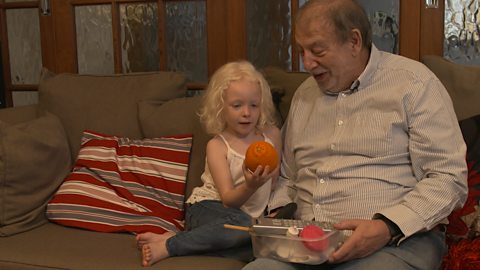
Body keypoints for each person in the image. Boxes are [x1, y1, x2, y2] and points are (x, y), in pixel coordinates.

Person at [243, 0, 468, 270]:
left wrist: (386, 226)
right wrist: (281, 213)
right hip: (305, 245)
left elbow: (448, 177)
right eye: (302, 51)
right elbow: (287, 177)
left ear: (354, 41)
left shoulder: (414, 84)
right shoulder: (304, 95)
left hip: (395, 243)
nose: (307, 63)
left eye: (317, 50)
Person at [136, 60, 281, 267]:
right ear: (221, 107)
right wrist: (251, 185)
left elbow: (274, 184)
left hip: (244, 223)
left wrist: (274, 211)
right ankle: (170, 246)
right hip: (207, 209)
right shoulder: (217, 146)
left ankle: (184, 239)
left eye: (254, 105)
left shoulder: (272, 136)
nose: (246, 113)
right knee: (243, 224)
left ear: (262, 105)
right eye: (237, 105)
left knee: (263, 246)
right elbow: (229, 200)